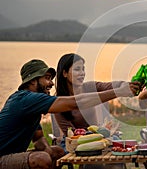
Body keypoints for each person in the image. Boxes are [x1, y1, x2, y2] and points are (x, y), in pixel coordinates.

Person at [0, 59, 139, 169]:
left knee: (57, 152)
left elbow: (38, 139)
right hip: (3, 157)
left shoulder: (31, 105)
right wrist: (119, 92)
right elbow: (75, 102)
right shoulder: (25, 99)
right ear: (32, 80)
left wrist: (49, 150)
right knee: (41, 159)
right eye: (47, 78)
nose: (50, 83)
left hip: (13, 155)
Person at [54, 53, 126, 169]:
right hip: (73, 142)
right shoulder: (59, 101)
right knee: (93, 162)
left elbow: (111, 86)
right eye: (77, 69)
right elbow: (70, 132)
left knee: (116, 151)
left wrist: (125, 85)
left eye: (83, 69)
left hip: (96, 136)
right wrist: (95, 135)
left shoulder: (89, 87)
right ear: (65, 73)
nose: (82, 73)